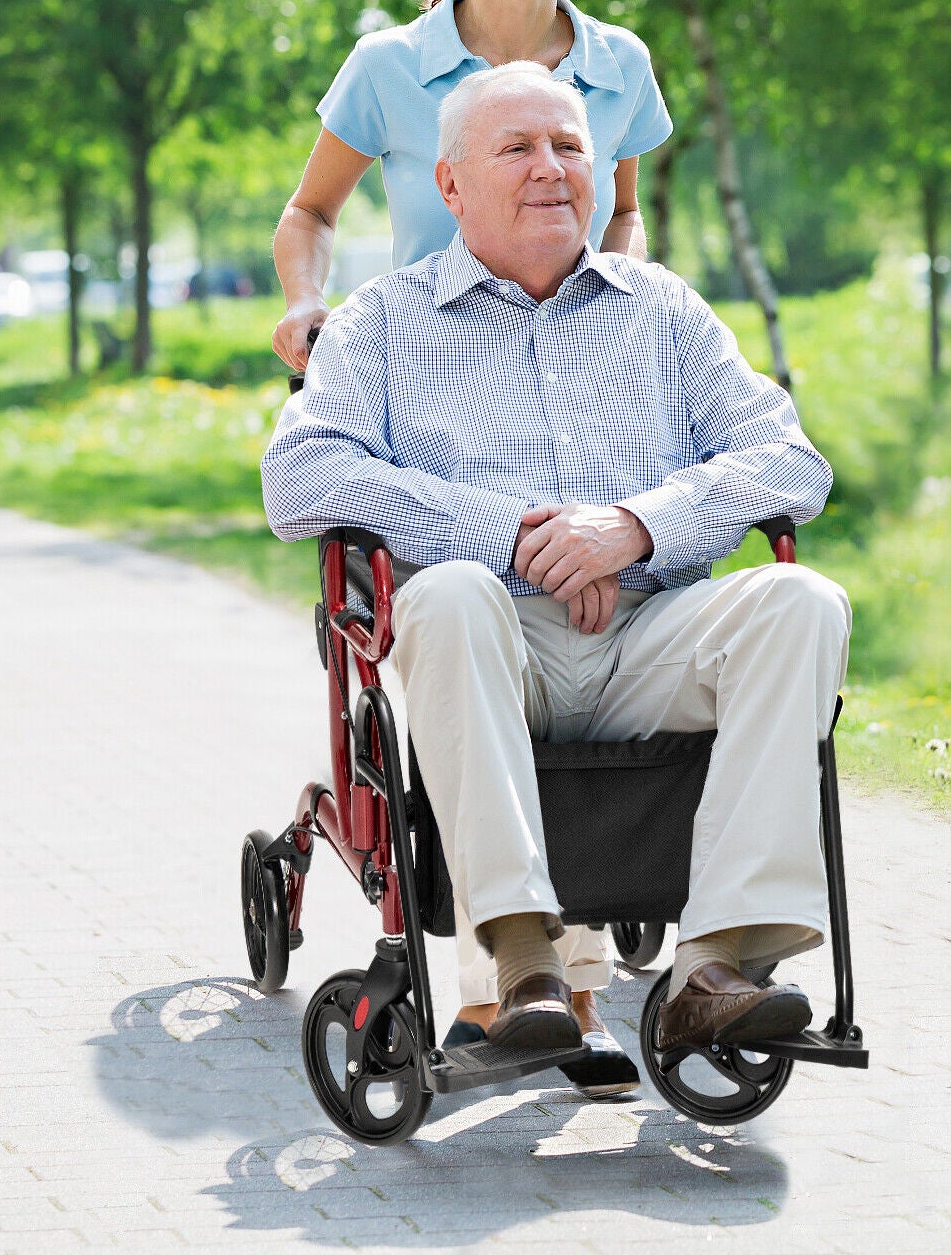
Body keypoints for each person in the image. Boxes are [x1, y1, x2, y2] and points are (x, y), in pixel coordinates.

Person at [262, 65, 850, 1059]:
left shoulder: (659, 309)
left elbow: (788, 459)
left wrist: (630, 526)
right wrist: (513, 535)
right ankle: (523, 963)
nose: (551, 169)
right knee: (445, 593)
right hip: (495, 642)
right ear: (449, 186)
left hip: (650, 636)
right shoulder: (383, 320)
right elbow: (301, 474)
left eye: (569, 147)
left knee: (802, 601)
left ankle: (718, 966)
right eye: (518, 148)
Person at [271, 0, 673, 1093]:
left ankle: (557, 981)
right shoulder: (391, 66)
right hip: (433, 390)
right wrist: (301, 304)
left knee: (595, 630)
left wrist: (621, 318)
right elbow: (310, 213)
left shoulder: (618, 59)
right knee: (468, 625)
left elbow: (625, 220)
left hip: (578, 382)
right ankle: (525, 981)